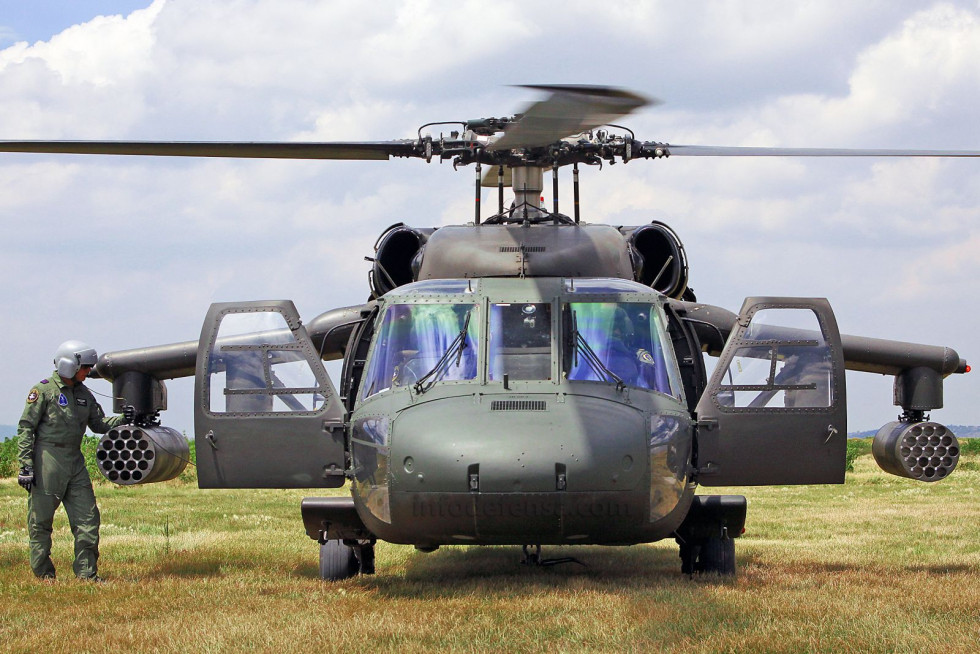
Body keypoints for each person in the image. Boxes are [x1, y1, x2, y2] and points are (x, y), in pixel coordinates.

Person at [16, 340, 132, 582]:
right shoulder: (44, 391)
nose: (88, 372)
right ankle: (44, 575)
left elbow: (99, 424)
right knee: (40, 522)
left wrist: (124, 419)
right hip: (47, 460)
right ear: (70, 365)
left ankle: (87, 574)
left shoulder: (83, 394)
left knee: (88, 519)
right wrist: (26, 465)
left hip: (75, 461)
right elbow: (26, 428)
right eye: (85, 368)